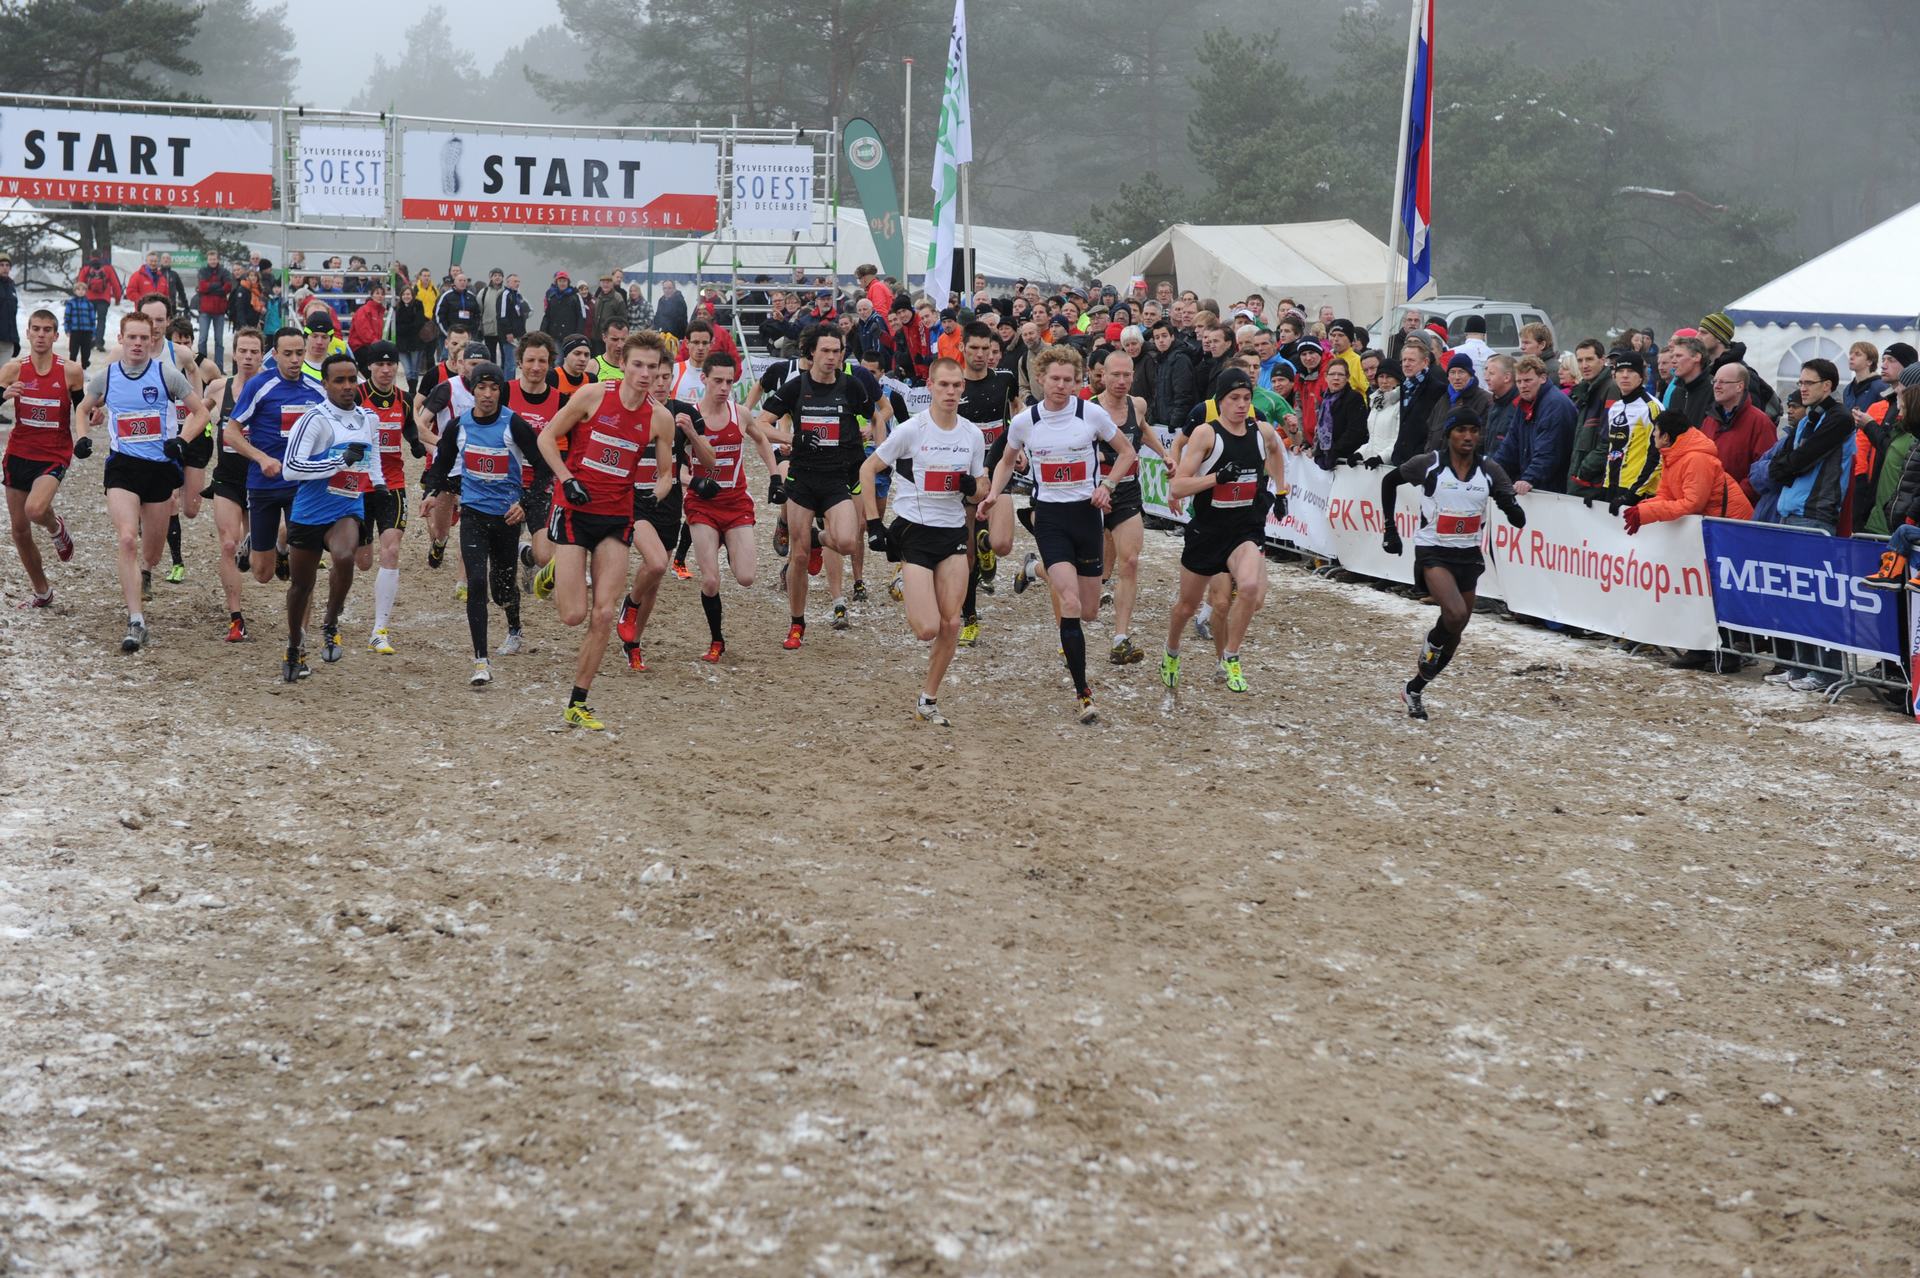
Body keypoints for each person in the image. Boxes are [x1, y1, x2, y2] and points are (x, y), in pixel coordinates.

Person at [978, 344, 1137, 723]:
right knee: (1069, 603)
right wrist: (994, 493)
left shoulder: (1090, 414)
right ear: (1041, 378)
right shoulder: (1026, 421)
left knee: (1089, 611)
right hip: (1049, 518)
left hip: (1086, 517)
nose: (1061, 386)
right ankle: (1084, 693)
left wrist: (1108, 485)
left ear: (1078, 381)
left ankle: (1033, 568)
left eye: (1069, 380)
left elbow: (1128, 453)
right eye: (1055, 379)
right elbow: (1005, 462)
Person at [536, 334, 675, 729]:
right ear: (622, 363)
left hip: (617, 517)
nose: (645, 374)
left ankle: (577, 703)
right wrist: (566, 478)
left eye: (652, 367)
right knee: (573, 615)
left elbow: (666, 474)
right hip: (575, 510)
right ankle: (552, 569)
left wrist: (655, 493)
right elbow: (546, 438)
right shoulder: (593, 396)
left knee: (603, 614)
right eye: (638, 365)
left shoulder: (659, 418)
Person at [859, 357, 984, 724]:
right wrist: (873, 523)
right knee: (927, 629)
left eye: (956, 386)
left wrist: (973, 488)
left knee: (951, 624)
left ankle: (928, 698)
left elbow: (982, 487)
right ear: (930, 386)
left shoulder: (972, 435)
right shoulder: (912, 430)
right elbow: (868, 468)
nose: (950, 392)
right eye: (943, 385)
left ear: (963, 388)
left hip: (953, 533)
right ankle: (904, 577)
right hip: (914, 532)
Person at [73, 312, 207, 652]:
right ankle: (136, 620)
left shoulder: (166, 374)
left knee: (152, 552)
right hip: (123, 467)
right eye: (131, 337)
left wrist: (182, 440)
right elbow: (83, 408)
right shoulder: (107, 376)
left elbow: (201, 412)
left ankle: (147, 571)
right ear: (121, 339)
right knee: (127, 539)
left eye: (143, 338)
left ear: (152, 340)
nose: (137, 343)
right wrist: (83, 436)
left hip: (160, 469)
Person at [1381, 409, 1527, 721]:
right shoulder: (1429, 464)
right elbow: (1389, 481)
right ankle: (1431, 642)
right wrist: (1390, 529)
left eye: (1474, 430)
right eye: (1461, 430)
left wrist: (1512, 508)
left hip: (1469, 555)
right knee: (1456, 613)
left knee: (1457, 629)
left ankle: (1415, 688)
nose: (1468, 437)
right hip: (1433, 551)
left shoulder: (1489, 469)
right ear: (1449, 434)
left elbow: (1510, 504)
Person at [419, 361, 548, 685]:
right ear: (473, 390)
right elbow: (442, 463)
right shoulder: (459, 425)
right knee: (476, 583)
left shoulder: (513, 424)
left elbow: (543, 467)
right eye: (481, 387)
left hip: (506, 517)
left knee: (501, 588)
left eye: (493, 388)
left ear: (501, 391)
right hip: (473, 515)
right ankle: (481, 661)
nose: (487, 394)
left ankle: (514, 627)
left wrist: (525, 503)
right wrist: (432, 492)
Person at [755, 326, 873, 647]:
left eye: (837, 351)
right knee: (799, 556)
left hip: (836, 479)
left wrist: (869, 436)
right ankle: (797, 623)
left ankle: (817, 537)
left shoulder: (851, 386)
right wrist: (792, 438)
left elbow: (874, 416)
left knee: (847, 542)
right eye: (825, 351)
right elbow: (760, 423)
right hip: (802, 480)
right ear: (811, 352)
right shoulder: (797, 386)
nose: (832, 357)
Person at [276, 353, 385, 680]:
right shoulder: (314, 420)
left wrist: (378, 483)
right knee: (301, 586)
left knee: (344, 555)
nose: (348, 386)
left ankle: (331, 622)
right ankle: (294, 644)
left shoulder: (369, 418)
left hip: (346, 507)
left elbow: (372, 456)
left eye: (352, 379)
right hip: (310, 511)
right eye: (339, 380)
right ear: (325, 384)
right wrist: (336, 462)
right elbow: (290, 468)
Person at [675, 353, 765, 663]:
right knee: (711, 580)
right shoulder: (688, 417)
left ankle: (729, 541)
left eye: (730, 381)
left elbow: (761, 439)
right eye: (718, 381)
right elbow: (673, 467)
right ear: (704, 379)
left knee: (746, 578)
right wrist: (693, 482)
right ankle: (717, 640)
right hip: (702, 506)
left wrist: (775, 476)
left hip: (736, 503)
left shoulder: (740, 414)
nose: (725, 387)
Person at [1, 308, 85, 607]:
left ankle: (55, 527)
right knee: (20, 531)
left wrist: (92, 419)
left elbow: (83, 409)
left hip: (53, 453)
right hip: (18, 452)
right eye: (35, 329)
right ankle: (42, 592)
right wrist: (3, 396)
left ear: (56, 335)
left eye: (47, 330)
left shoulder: (70, 371)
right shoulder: (12, 369)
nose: (40, 335)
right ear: (27, 333)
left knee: (36, 510)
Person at [228, 327, 323, 588]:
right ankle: (268, 545)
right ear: (274, 354)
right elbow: (231, 433)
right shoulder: (259, 386)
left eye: (300, 353)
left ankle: (286, 548)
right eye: (288, 354)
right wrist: (261, 459)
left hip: (301, 485)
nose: (295, 360)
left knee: (304, 565)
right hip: (264, 483)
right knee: (262, 573)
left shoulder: (317, 389)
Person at [1092, 349, 1168, 664]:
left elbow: (1143, 428)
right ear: (1103, 376)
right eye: (1115, 375)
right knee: (1084, 572)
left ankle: (1120, 638)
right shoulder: (1089, 410)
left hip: (1126, 493)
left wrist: (1164, 454)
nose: (1121, 381)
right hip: (1092, 495)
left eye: (1127, 375)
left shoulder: (1137, 405)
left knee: (1131, 562)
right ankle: (1035, 569)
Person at [951, 320, 1021, 645]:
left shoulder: (1004, 380)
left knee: (1003, 544)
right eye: (974, 348)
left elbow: (1017, 411)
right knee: (966, 554)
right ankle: (969, 617)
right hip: (965, 478)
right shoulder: (954, 386)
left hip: (998, 472)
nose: (981, 354)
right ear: (962, 348)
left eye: (986, 349)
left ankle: (987, 546)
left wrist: (1020, 448)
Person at [354, 342, 423, 654]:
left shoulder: (404, 399)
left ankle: (379, 629)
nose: (385, 370)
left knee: (391, 550)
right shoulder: (357, 396)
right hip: (359, 485)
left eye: (391, 364)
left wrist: (417, 443)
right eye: (379, 364)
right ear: (369, 367)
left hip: (392, 485)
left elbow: (410, 427)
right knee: (363, 561)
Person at [200, 326, 263, 640]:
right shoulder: (218, 388)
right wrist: (182, 441)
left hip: (261, 480)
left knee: (259, 559)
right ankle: (236, 618)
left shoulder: (271, 388)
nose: (248, 357)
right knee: (228, 543)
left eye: (254, 352)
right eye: (243, 351)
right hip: (227, 478)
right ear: (234, 353)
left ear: (262, 356)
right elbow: (197, 416)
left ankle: (262, 548)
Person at [1623, 409, 1751, 531]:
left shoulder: (1697, 459)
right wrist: (1640, 508)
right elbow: (1666, 496)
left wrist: (1647, 512)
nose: (1653, 434)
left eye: (1656, 430)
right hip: (1714, 525)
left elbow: (1693, 504)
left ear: (1665, 437)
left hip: (1733, 527)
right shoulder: (1672, 455)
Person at [1570, 350, 1658, 508]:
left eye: (1631, 371)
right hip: (1613, 486)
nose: (1625, 376)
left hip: (1636, 491)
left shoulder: (1651, 407)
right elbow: (1613, 451)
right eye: (1620, 371)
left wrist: (1633, 494)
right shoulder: (1616, 407)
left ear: (1641, 376)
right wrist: (1603, 489)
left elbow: (1658, 456)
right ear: (1614, 375)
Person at [1489, 355, 1576, 493]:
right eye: (1519, 381)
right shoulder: (1525, 404)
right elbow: (1510, 444)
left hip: (1554, 489)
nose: (1523, 386)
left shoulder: (1555, 405)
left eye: (1528, 380)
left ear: (1543, 378)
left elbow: (1549, 451)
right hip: (1538, 484)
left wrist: (1529, 478)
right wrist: (1490, 472)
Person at [1701, 360, 1777, 507]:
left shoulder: (1760, 423)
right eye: (1715, 381)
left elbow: (1764, 469)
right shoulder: (1709, 421)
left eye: (1723, 382)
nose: (1716, 386)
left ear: (1739, 386)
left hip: (1740, 507)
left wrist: (1733, 496)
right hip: (1708, 503)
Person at [195, 250, 235, 368]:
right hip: (205, 310)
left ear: (218, 259)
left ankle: (219, 367)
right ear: (207, 260)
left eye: (214, 259)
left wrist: (210, 288)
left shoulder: (225, 272)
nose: (212, 261)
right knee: (202, 339)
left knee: (219, 341)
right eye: (210, 259)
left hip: (219, 311)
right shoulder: (202, 271)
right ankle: (202, 366)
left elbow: (227, 287)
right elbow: (202, 287)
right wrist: (219, 285)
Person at [63, 282, 97, 368]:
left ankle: (84, 368)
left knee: (86, 352)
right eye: (78, 289)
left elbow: (92, 319)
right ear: (75, 291)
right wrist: (67, 329)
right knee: (73, 351)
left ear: (86, 291)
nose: (81, 291)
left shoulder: (89, 304)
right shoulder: (70, 303)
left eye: (83, 289)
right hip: (75, 331)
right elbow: (67, 317)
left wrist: (93, 332)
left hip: (87, 331)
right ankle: (71, 368)